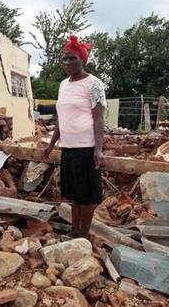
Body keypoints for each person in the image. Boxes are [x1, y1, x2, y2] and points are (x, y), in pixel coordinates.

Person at [42, 35, 106, 240]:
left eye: (73, 59)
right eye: (65, 59)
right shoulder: (63, 85)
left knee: (87, 196)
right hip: (68, 148)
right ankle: (75, 230)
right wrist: (51, 144)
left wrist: (98, 149)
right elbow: (61, 118)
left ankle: (84, 235)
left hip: (86, 147)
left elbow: (98, 119)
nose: (68, 63)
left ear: (83, 60)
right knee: (75, 194)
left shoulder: (94, 84)